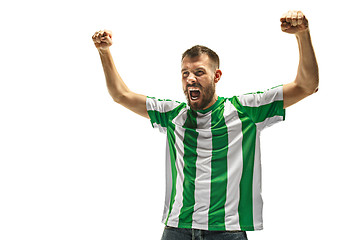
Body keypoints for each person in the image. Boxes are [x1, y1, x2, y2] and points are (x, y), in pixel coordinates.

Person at [92, 10, 318, 240]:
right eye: (185, 73)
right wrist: (104, 52)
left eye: (199, 72)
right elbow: (120, 95)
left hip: (226, 230)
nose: (191, 78)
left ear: (216, 76)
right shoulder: (173, 115)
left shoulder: (245, 111)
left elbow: (306, 85)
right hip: (176, 228)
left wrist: (302, 35)